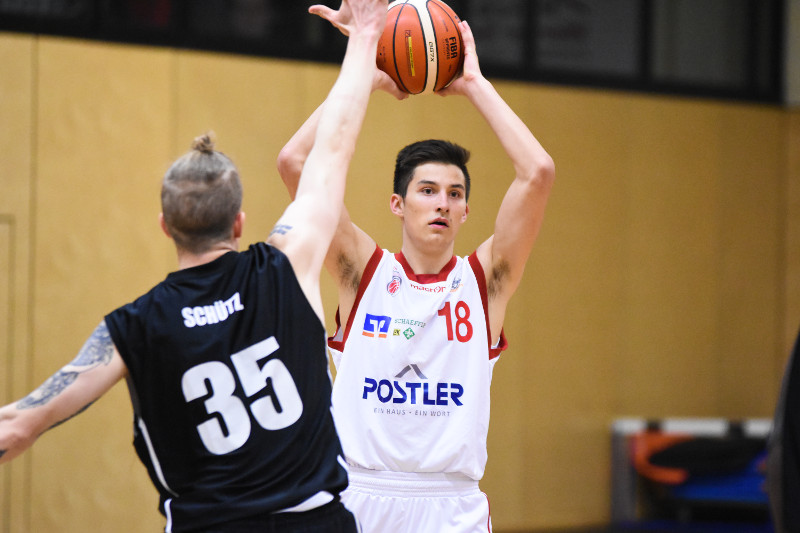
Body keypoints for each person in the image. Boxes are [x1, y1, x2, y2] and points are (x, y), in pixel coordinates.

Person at [0, 1, 391, 531]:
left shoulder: (133, 327)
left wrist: (23, 425)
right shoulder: (285, 265)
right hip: (314, 521)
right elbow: (331, 153)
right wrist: (365, 38)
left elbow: (21, 424)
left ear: (165, 225)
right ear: (239, 222)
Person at [277, 12, 556, 533]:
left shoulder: (485, 281)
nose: (442, 204)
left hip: (450, 505)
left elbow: (537, 172)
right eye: (427, 191)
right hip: (360, 495)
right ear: (397, 205)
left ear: (467, 212)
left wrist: (474, 84)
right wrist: (366, 75)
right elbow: (294, 161)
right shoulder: (361, 271)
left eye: (455, 194)